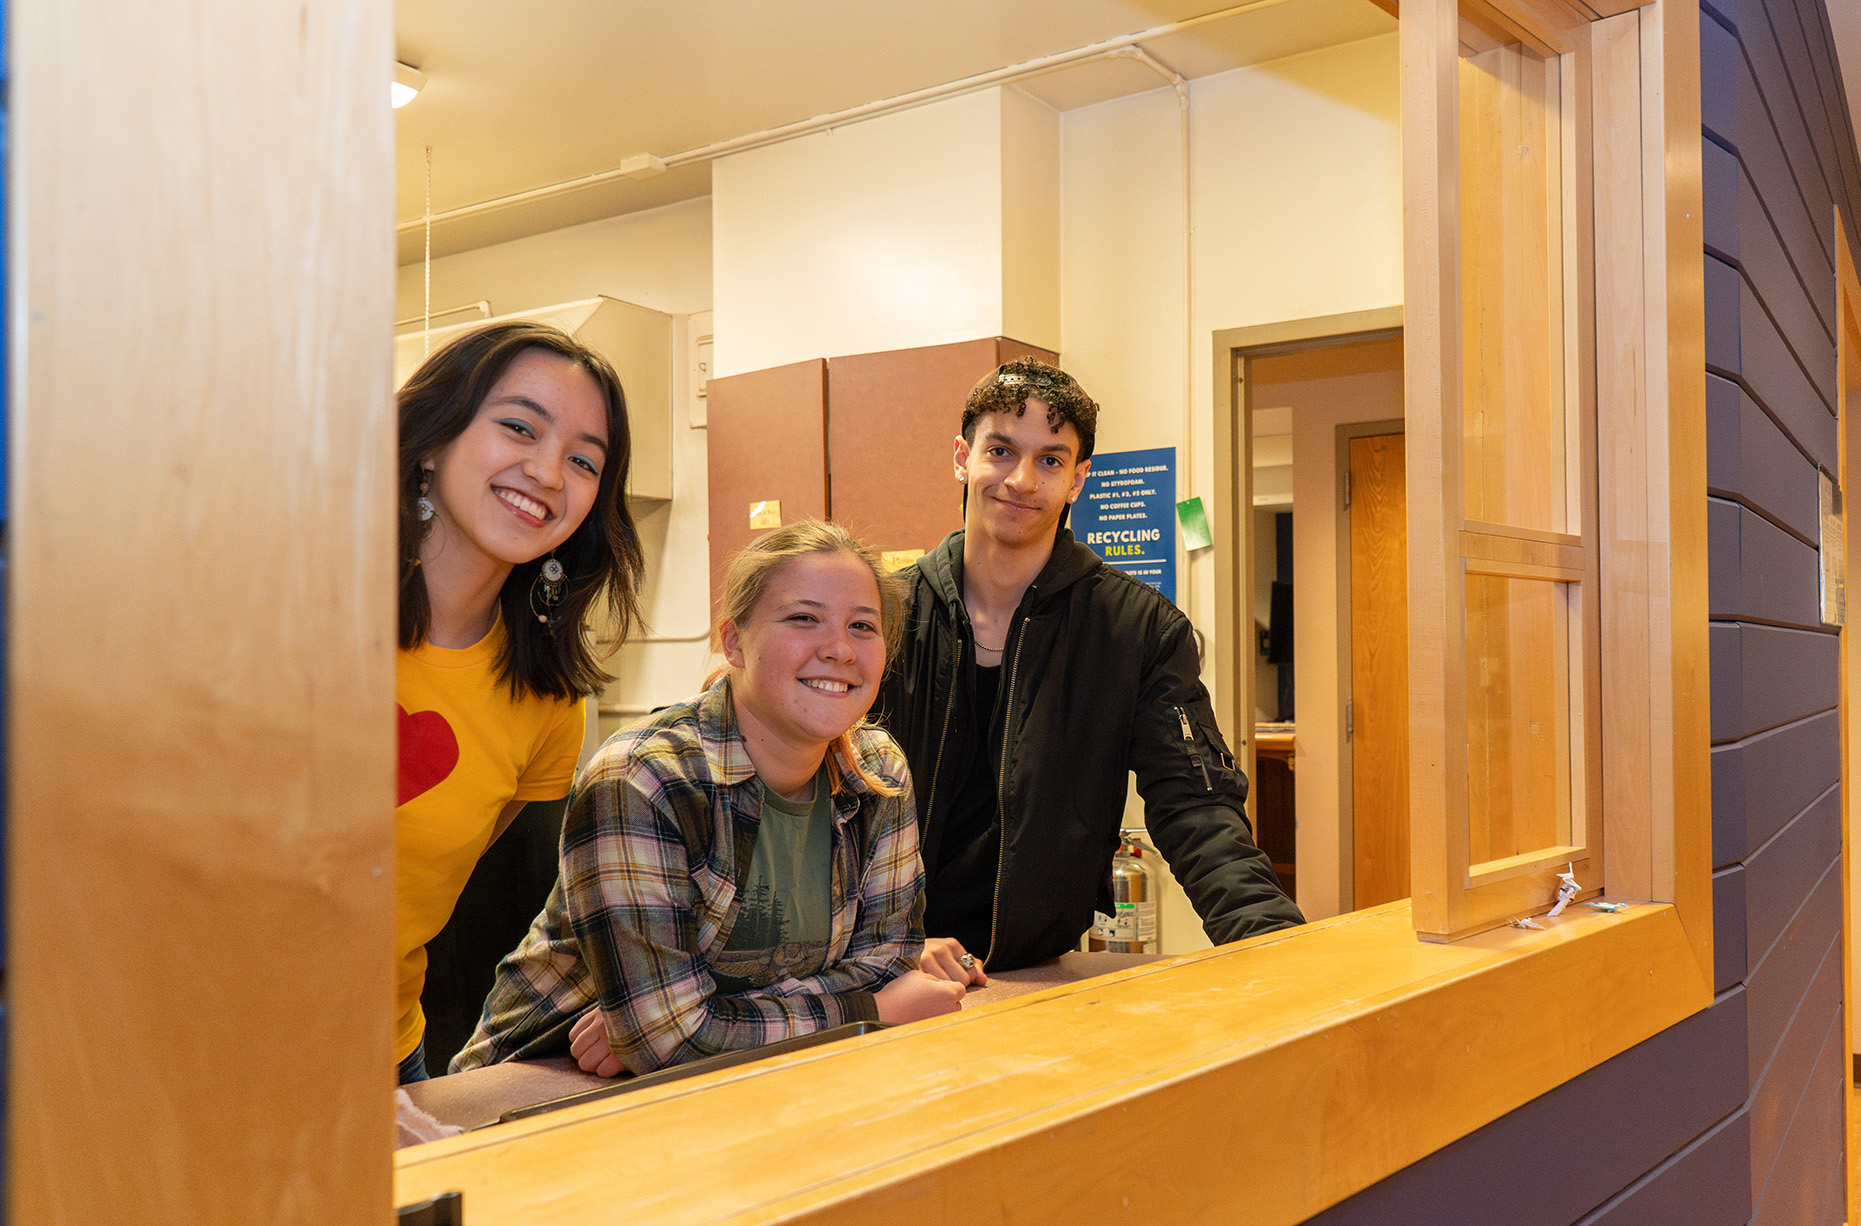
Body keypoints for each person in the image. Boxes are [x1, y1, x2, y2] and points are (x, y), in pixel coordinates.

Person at [453, 520, 963, 1079]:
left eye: (862, 626)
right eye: (803, 618)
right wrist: (874, 1011)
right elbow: (667, 1042)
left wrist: (701, 1023)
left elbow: (887, 963)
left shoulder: (876, 771)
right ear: (734, 642)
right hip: (536, 1089)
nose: (840, 649)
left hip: (752, 1080)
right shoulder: (644, 779)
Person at [875, 357, 1305, 986]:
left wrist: (1282, 954)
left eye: (1050, 460)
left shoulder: (1137, 631)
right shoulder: (880, 618)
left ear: (1078, 479)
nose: (1021, 479)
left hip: (1037, 976)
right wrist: (881, 949)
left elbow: (1197, 807)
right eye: (1001, 450)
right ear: (963, 457)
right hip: (882, 973)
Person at [393, 321, 644, 1084]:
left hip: (382, 1054)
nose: (546, 471)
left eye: (582, 460)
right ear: (431, 441)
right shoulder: (281, 600)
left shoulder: (547, 705)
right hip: (187, 1029)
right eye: (517, 427)